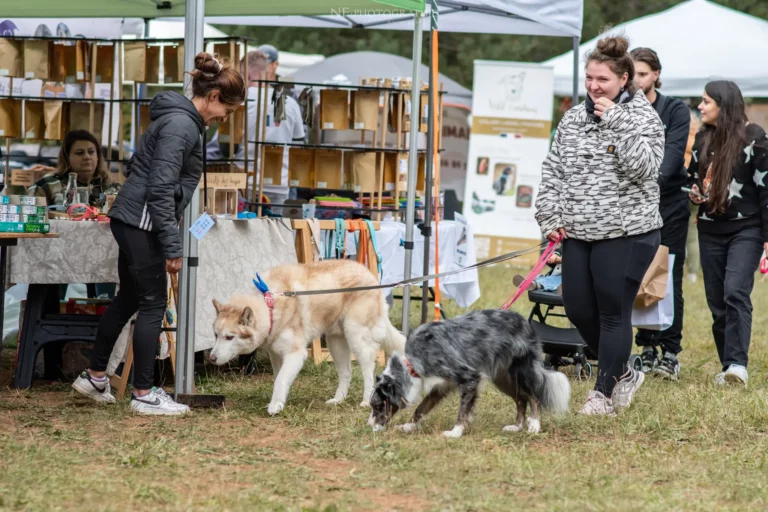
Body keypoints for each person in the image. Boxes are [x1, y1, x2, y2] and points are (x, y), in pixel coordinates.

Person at [71, 52, 245, 415]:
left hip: (132, 219)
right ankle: (144, 393)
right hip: (143, 222)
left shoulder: (179, 122)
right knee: (153, 305)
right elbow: (161, 188)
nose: (225, 118)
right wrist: (173, 246)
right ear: (213, 97)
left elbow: (142, 166)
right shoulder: (183, 126)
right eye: (226, 110)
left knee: (129, 300)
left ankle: (95, 376)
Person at [535, 34, 663, 416]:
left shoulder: (643, 119)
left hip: (627, 232)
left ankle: (603, 392)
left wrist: (618, 122)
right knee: (577, 308)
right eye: (589, 78)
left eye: (602, 80)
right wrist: (550, 217)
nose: (593, 86)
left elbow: (645, 169)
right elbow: (553, 170)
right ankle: (624, 372)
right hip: (577, 230)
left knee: (612, 311)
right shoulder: (574, 118)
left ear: (624, 79)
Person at [686, 80, 768, 386]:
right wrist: (693, 193)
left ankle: (738, 365)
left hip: (746, 228)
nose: (701, 106)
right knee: (716, 302)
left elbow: (766, 189)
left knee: (735, 291)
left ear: (724, 105)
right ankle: (727, 366)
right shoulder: (702, 139)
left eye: (706, 101)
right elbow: (692, 181)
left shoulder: (754, 137)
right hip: (709, 229)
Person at [629, 48, 691, 381]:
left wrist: (650, 185)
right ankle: (646, 347)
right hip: (633, 206)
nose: (636, 81)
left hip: (668, 204)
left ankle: (669, 351)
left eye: (642, 74)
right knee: (637, 274)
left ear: (655, 74)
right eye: (632, 74)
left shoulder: (674, 109)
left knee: (667, 275)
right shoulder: (622, 108)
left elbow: (672, 154)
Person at [235, 50, 305, 213]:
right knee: (276, 234)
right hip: (279, 184)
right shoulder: (289, 102)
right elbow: (299, 145)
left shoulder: (239, 101)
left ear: (248, 75)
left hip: (244, 183)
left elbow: (227, 145)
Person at [28, 130, 117, 209]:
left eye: (91, 152)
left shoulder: (112, 187)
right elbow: (30, 219)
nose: (87, 157)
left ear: (98, 156)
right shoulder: (45, 186)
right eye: (79, 153)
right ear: (67, 158)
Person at [684, 110, 702, 282]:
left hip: (680, 188)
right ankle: (693, 272)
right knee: (692, 232)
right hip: (696, 188)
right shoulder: (700, 138)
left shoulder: (679, 138)